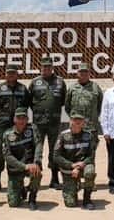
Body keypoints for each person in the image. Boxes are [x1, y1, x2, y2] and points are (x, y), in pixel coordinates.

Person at [0, 64, 31, 191]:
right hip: (2, 126)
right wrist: (2, 116)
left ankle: (18, 181)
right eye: (9, 73)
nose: (11, 75)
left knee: (18, 152)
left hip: (17, 126)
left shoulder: (23, 89)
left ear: (17, 74)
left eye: (13, 73)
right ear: (5, 74)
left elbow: (26, 105)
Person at [29, 56, 66, 189]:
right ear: (41, 68)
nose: (46, 69)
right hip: (38, 123)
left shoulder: (60, 82)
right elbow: (29, 102)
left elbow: (62, 101)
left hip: (54, 123)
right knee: (36, 151)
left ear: (52, 68)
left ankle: (54, 179)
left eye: (49, 67)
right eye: (44, 67)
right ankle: (35, 180)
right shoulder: (34, 82)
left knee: (54, 151)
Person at [53, 112, 97, 209]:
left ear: (83, 123)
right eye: (74, 120)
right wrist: (71, 165)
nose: (77, 122)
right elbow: (56, 156)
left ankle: (87, 199)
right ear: (70, 122)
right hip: (69, 169)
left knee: (90, 172)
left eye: (80, 120)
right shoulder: (63, 135)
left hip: (83, 166)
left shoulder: (88, 135)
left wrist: (80, 165)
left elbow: (91, 155)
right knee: (70, 204)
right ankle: (75, 186)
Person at [2, 108, 43, 209]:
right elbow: (8, 157)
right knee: (13, 203)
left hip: (31, 166)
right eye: (18, 118)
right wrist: (24, 166)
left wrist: (36, 162)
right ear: (14, 119)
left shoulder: (32, 129)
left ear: (27, 119)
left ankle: (32, 198)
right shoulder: (7, 134)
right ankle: (22, 189)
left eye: (24, 118)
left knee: (37, 173)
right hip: (16, 169)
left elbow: (38, 145)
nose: (21, 120)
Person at [65, 63, 103, 139]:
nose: (83, 74)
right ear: (77, 74)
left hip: (91, 126)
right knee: (74, 149)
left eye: (86, 72)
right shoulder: (72, 88)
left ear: (89, 73)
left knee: (91, 149)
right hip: (76, 125)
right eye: (81, 72)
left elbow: (100, 104)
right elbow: (67, 106)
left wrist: (93, 116)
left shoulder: (95, 87)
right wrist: (74, 118)